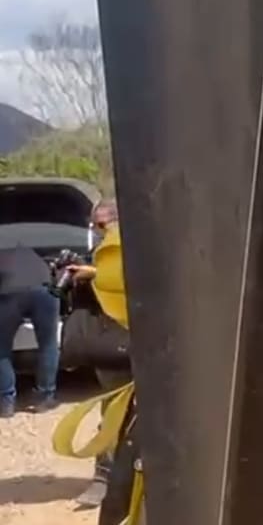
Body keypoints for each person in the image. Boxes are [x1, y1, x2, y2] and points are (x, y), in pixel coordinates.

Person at [67, 198, 132, 507]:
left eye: (103, 224)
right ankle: (105, 478)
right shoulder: (104, 250)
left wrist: (91, 273)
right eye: (97, 225)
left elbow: (124, 278)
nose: (101, 229)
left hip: (140, 339)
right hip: (114, 344)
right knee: (113, 410)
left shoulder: (127, 246)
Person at [0, 244, 61, 418]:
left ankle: (6, 402)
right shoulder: (35, 251)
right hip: (45, 290)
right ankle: (46, 396)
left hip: (10, 292)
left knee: (1, 349)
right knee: (48, 345)